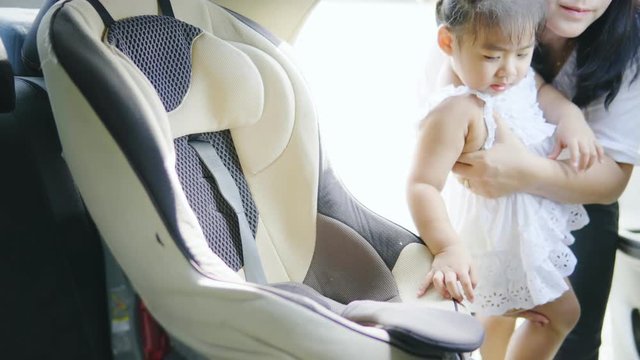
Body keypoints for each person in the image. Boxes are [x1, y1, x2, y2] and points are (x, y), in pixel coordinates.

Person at [407, 0, 605, 359]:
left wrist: (571, 116)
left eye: (523, 53)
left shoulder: (517, 77)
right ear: (449, 43)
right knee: (561, 312)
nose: (509, 71)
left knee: (496, 324)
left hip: (521, 232)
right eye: (491, 56)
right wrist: (448, 248)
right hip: (493, 243)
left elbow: (542, 90)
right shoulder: (457, 108)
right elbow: (422, 185)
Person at [446, 1, 640, 359]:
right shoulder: (484, 18)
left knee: (567, 327)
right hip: (487, 198)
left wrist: (524, 170)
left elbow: (611, 177)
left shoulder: (629, 41)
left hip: (579, 195)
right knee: (494, 312)